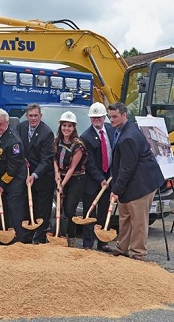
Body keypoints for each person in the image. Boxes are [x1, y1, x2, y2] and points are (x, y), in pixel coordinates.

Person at [107, 102, 165, 261]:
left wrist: (116, 189)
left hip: (142, 183)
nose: (111, 120)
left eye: (115, 117)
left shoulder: (128, 137)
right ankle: (122, 248)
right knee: (124, 215)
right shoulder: (121, 131)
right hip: (132, 182)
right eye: (110, 117)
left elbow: (127, 168)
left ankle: (138, 254)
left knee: (138, 220)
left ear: (124, 115)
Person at [80, 102, 116, 252]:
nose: (96, 120)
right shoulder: (85, 137)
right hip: (93, 180)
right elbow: (89, 163)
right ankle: (88, 243)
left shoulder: (111, 130)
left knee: (104, 211)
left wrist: (111, 176)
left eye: (99, 117)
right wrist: (100, 179)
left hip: (110, 177)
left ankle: (103, 242)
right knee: (90, 212)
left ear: (104, 117)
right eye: (93, 118)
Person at [17, 103, 55, 244]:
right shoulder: (21, 127)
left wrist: (35, 175)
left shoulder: (47, 133)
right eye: (30, 115)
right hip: (25, 177)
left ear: (40, 116)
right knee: (27, 208)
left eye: (36, 115)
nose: (33, 118)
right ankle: (26, 239)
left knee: (42, 211)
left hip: (42, 178)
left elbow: (46, 160)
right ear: (26, 116)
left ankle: (40, 239)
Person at [0, 108, 30, 244]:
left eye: (0, 124)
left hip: (15, 181)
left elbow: (13, 168)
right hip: (4, 179)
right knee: (4, 210)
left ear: (7, 123)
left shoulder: (13, 141)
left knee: (15, 212)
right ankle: (5, 240)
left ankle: (19, 241)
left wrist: (1, 184)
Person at [53, 111, 87, 248]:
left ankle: (71, 238)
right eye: (64, 125)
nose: (66, 128)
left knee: (69, 210)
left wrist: (62, 185)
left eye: (69, 126)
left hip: (75, 179)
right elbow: (54, 159)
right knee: (58, 209)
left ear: (74, 128)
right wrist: (56, 175)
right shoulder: (57, 141)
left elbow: (72, 168)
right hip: (60, 177)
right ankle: (59, 235)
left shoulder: (78, 145)